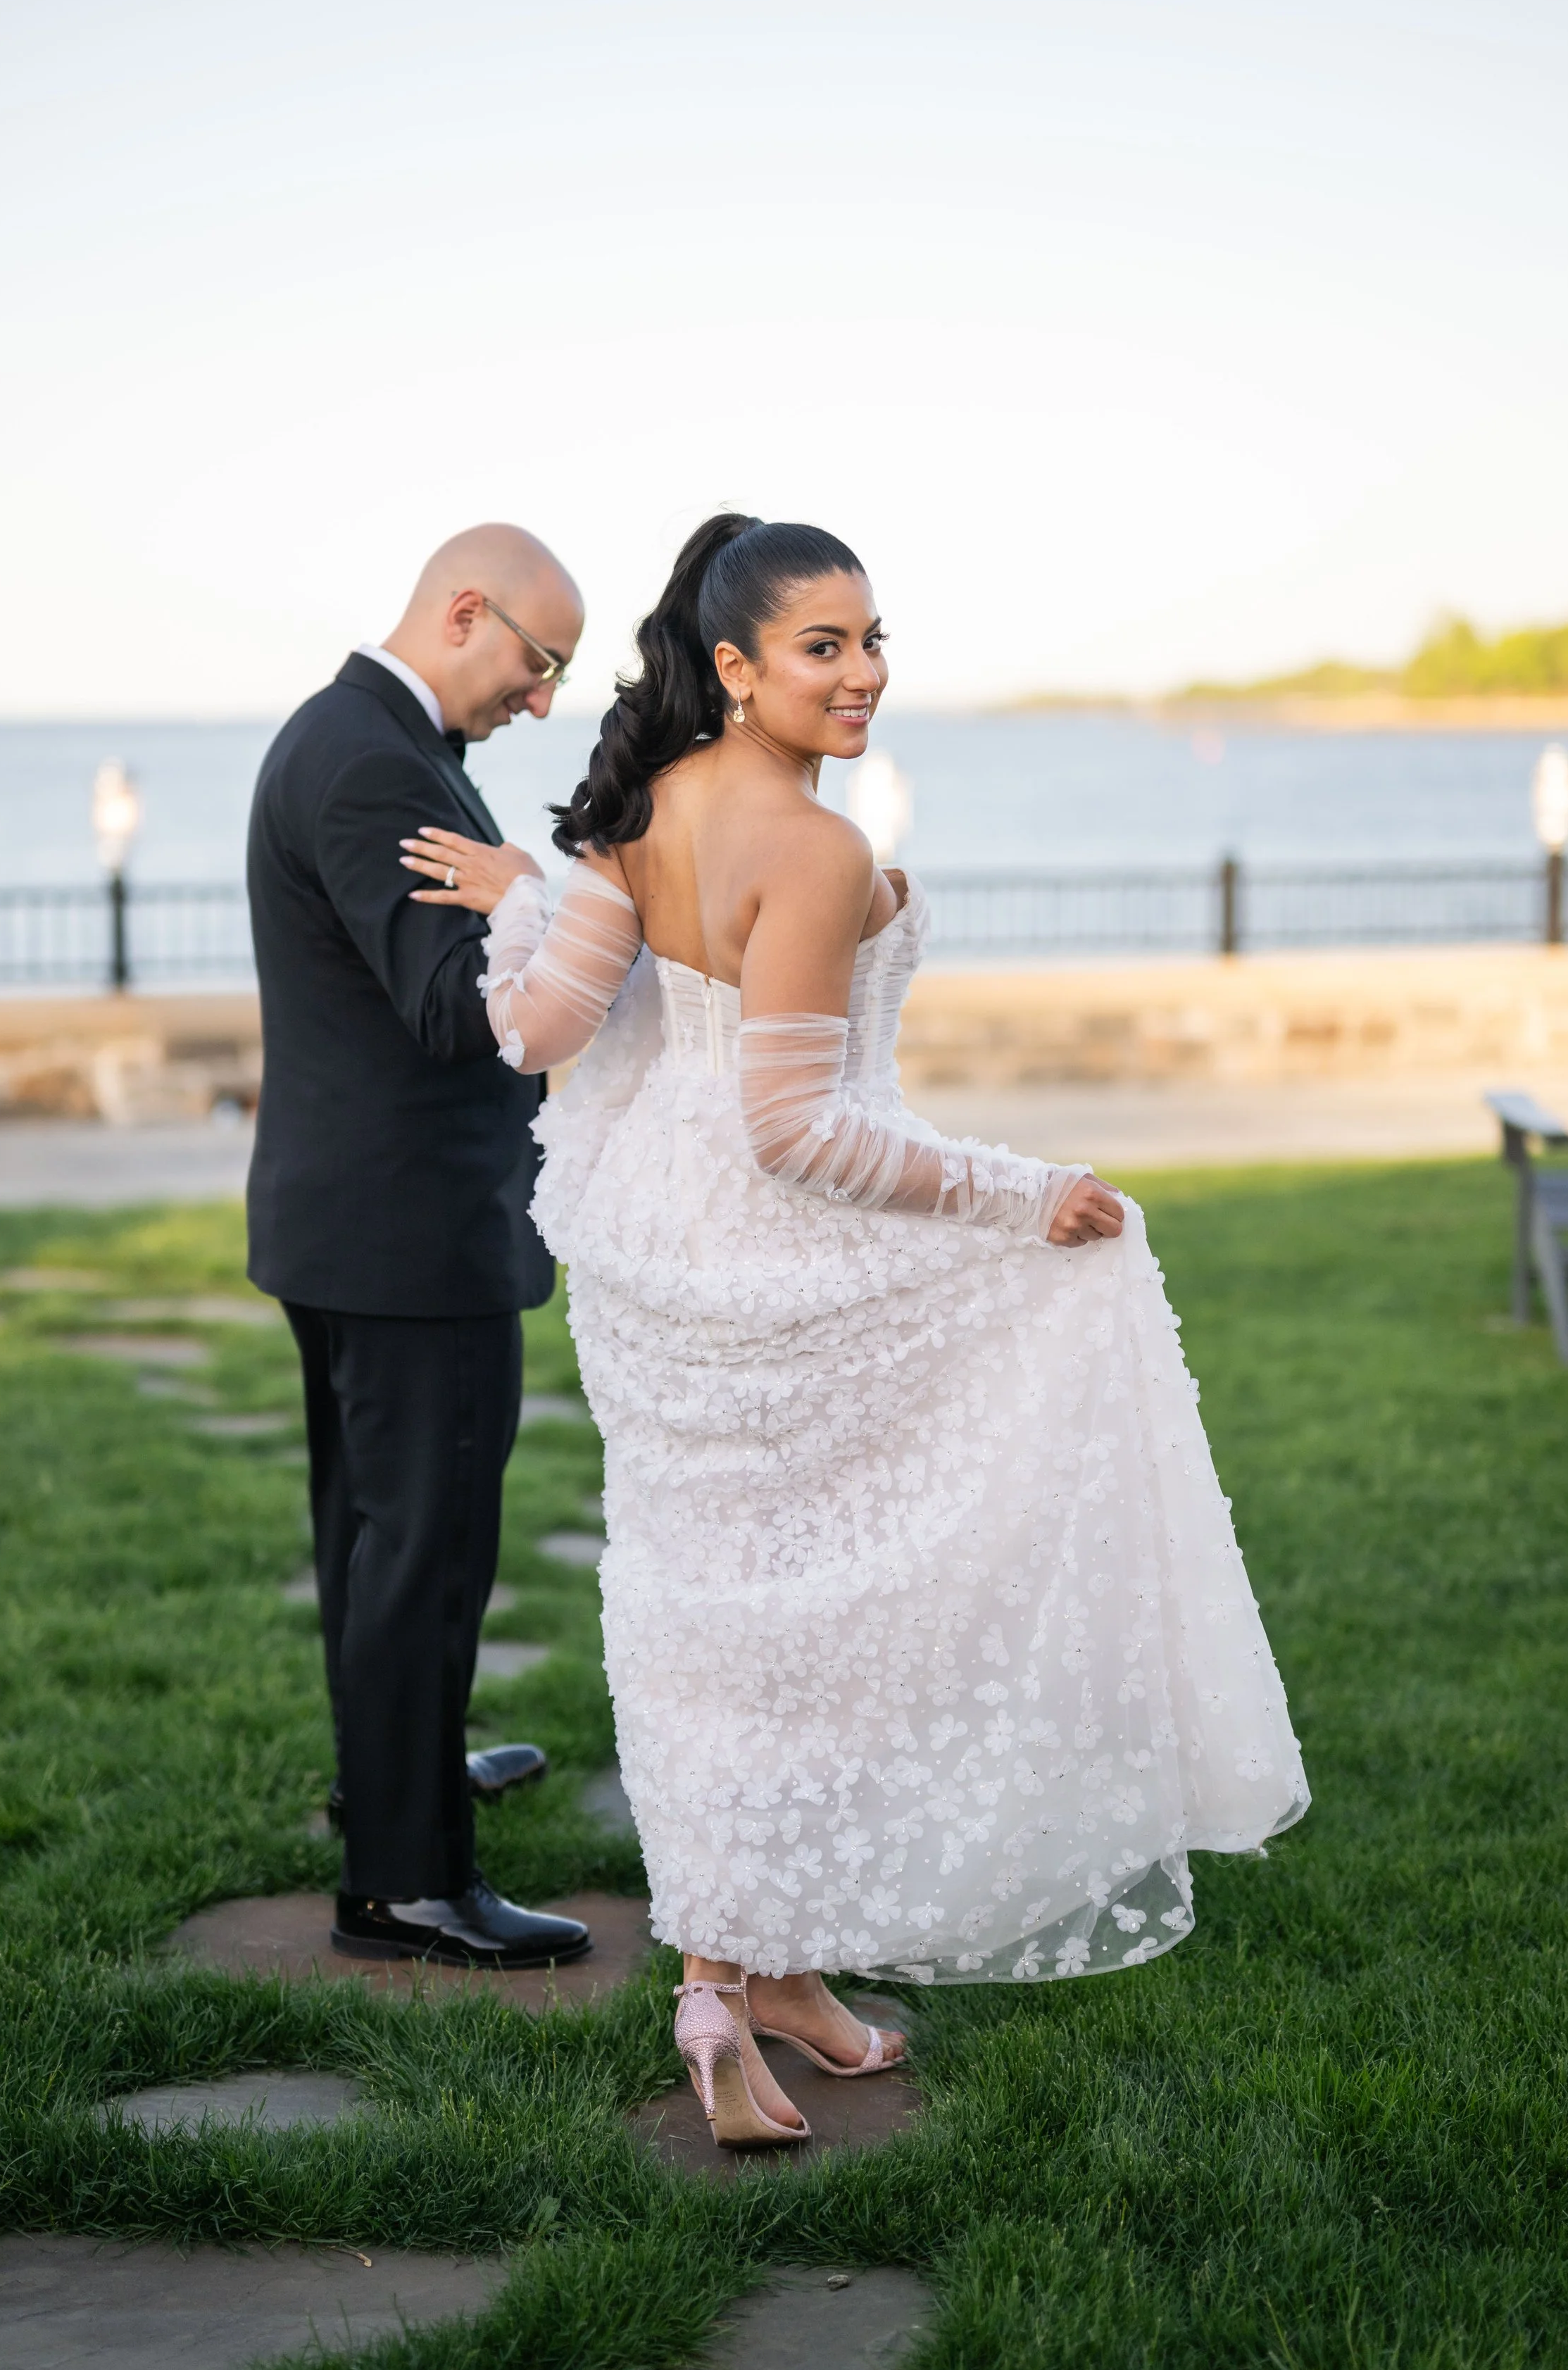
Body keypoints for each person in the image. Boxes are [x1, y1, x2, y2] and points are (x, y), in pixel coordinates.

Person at [401, 515, 1309, 2143]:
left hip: (652, 1263)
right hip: (776, 1262)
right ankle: (730, 1978)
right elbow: (796, 1134)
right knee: (813, 1631)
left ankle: (749, 1982)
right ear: (736, 668)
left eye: (875, 640)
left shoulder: (637, 810)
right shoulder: (807, 853)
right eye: (823, 647)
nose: (864, 674)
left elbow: (535, 1032)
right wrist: (1017, 1193)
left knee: (719, 1626)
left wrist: (527, 897)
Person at [246, 523, 595, 1969]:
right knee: (424, 1547)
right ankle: (404, 1883)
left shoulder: (358, 735)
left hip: (358, 1221)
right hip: (407, 1238)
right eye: (539, 662)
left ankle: (396, 1773)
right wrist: (545, 904)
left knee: (376, 1538)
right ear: (467, 611)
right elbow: (457, 1011)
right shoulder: (376, 758)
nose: (541, 701)